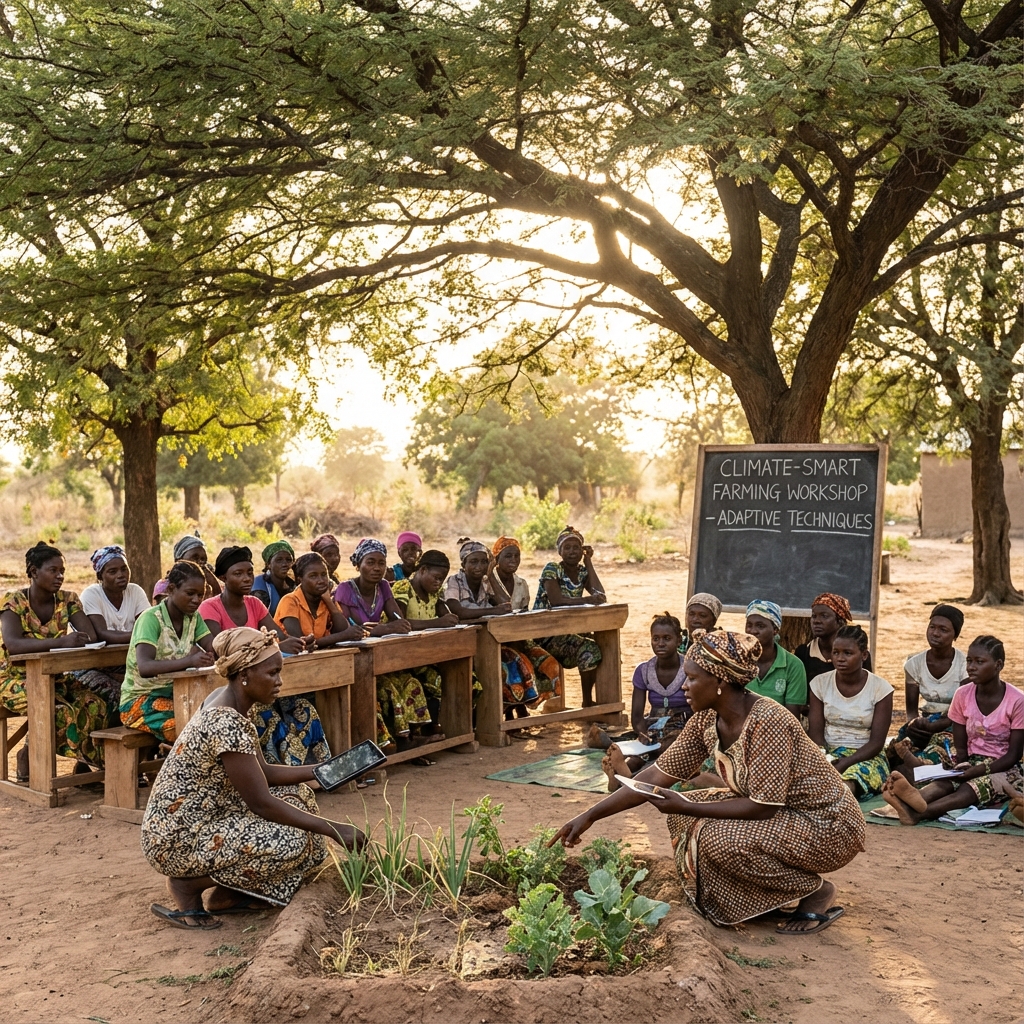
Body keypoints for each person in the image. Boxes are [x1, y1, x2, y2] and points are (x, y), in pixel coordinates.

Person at [552, 629, 865, 935]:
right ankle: (760, 899)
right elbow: (654, 777)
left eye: (692, 678)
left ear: (719, 682)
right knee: (685, 812)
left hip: (828, 825)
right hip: (786, 817)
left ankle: (815, 891)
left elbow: (763, 807)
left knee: (714, 834)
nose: (684, 687)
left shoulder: (769, 721)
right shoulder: (706, 718)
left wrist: (688, 805)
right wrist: (589, 815)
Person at [142, 627, 364, 929]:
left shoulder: (231, 702)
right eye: (272, 673)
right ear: (244, 674)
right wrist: (335, 829)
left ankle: (229, 894)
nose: (279, 681)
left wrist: (325, 770)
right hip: (177, 837)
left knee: (300, 800)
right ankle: (187, 885)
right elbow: (261, 802)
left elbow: (266, 772)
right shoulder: (225, 720)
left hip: (204, 817)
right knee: (292, 843)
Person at [200, 546, 332, 766]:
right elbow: (222, 649)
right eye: (238, 573)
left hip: (263, 683)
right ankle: (276, 773)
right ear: (223, 578)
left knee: (304, 709)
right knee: (268, 718)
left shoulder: (254, 604)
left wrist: (295, 642)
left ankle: (322, 770)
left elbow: (277, 638)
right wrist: (272, 644)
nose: (247, 578)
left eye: (250, 573)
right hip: (235, 690)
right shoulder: (210, 607)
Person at [882, 635, 1023, 826]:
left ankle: (917, 813)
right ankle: (914, 797)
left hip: (1004, 766)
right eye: (969, 661)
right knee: (948, 781)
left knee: (970, 788)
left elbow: (1013, 755)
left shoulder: (1016, 701)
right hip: (971, 759)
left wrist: (979, 770)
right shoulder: (963, 694)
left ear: (998, 665)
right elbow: (960, 741)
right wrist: (963, 763)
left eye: (979, 662)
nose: (971, 667)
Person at [0, 542, 109, 778]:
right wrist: (60, 642)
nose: (59, 576)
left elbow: (89, 636)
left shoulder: (67, 600)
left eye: (62, 571)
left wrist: (77, 635)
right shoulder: (14, 602)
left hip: (55, 677)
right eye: (53, 570)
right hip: (15, 679)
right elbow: (14, 645)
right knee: (59, 711)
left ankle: (84, 763)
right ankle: (31, 757)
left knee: (96, 705)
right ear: (33, 571)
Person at [120, 561, 216, 743]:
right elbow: (145, 667)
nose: (196, 600)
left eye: (200, 595)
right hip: (139, 701)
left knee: (217, 718)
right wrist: (190, 661)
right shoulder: (151, 619)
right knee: (192, 728)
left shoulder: (193, 618)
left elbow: (213, 645)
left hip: (177, 695)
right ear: (171, 589)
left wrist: (240, 645)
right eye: (190, 593)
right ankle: (178, 769)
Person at [603, 613, 693, 790]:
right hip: (654, 725)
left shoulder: (690, 667)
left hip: (684, 725)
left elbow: (699, 707)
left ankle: (629, 779)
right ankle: (622, 773)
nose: (660, 643)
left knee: (668, 750)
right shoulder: (643, 671)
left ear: (678, 640)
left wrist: (691, 731)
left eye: (667, 638)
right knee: (641, 753)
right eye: (656, 638)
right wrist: (643, 735)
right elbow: (637, 715)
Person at [808, 625, 893, 797]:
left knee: (851, 779)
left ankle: (839, 796)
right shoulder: (820, 684)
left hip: (866, 755)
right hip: (829, 752)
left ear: (864, 655)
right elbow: (816, 734)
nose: (840, 658)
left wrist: (847, 762)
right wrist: (825, 759)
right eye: (835, 652)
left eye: (848, 653)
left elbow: (876, 743)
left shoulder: (880, 689)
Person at [485, 536, 561, 721]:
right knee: (519, 664)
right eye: (508, 556)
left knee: (550, 663)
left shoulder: (522, 584)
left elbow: (525, 615)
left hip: (520, 639)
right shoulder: (487, 584)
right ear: (496, 560)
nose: (513, 560)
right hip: (496, 643)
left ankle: (526, 704)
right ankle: (511, 709)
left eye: (516, 556)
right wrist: (489, 572)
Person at [887, 604, 967, 776]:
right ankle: (913, 767)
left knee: (944, 748)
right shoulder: (914, 663)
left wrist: (939, 725)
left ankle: (917, 768)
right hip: (924, 723)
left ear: (955, 635)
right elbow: (911, 712)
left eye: (943, 629)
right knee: (895, 750)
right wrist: (914, 724)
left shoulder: (965, 665)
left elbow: (963, 710)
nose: (935, 633)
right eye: (932, 627)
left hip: (953, 724)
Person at [533, 526, 606, 708]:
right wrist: (589, 599)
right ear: (560, 551)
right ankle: (587, 702)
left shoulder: (582, 572)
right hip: (546, 633)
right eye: (567, 548)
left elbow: (600, 594)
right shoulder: (552, 569)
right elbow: (557, 601)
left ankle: (591, 701)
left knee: (606, 646)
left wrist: (588, 562)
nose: (572, 551)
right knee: (590, 649)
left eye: (576, 547)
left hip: (567, 631)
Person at [74, 545, 150, 706]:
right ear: (100, 575)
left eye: (124, 569)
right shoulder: (91, 594)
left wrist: (145, 634)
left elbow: (148, 625)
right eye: (112, 571)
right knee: (122, 696)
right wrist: (140, 636)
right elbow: (102, 633)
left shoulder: (135, 591)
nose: (121, 575)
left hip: (128, 664)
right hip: (95, 666)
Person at [275, 553, 366, 648]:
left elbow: (342, 628)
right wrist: (343, 636)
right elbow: (301, 643)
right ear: (299, 580)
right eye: (313, 576)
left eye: (324, 575)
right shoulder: (290, 601)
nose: (321, 580)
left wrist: (328, 601)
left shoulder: (325, 600)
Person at [333, 539, 410, 637]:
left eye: (381, 563)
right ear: (359, 565)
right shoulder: (345, 589)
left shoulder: (383, 586)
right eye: (370, 563)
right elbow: (347, 630)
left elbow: (400, 622)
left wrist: (384, 628)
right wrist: (387, 628)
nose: (377, 568)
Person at [743, 600, 807, 717]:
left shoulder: (793, 665)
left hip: (777, 730)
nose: (752, 631)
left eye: (760, 626)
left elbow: (791, 717)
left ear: (775, 630)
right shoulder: (737, 660)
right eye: (749, 625)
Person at [795, 593, 872, 679]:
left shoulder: (858, 654)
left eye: (824, 616)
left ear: (839, 620)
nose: (816, 621)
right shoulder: (804, 653)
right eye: (814, 616)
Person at [250, 540, 296, 615]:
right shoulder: (259, 589)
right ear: (269, 564)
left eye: (288, 560)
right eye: (279, 560)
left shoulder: (292, 585)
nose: (285, 564)